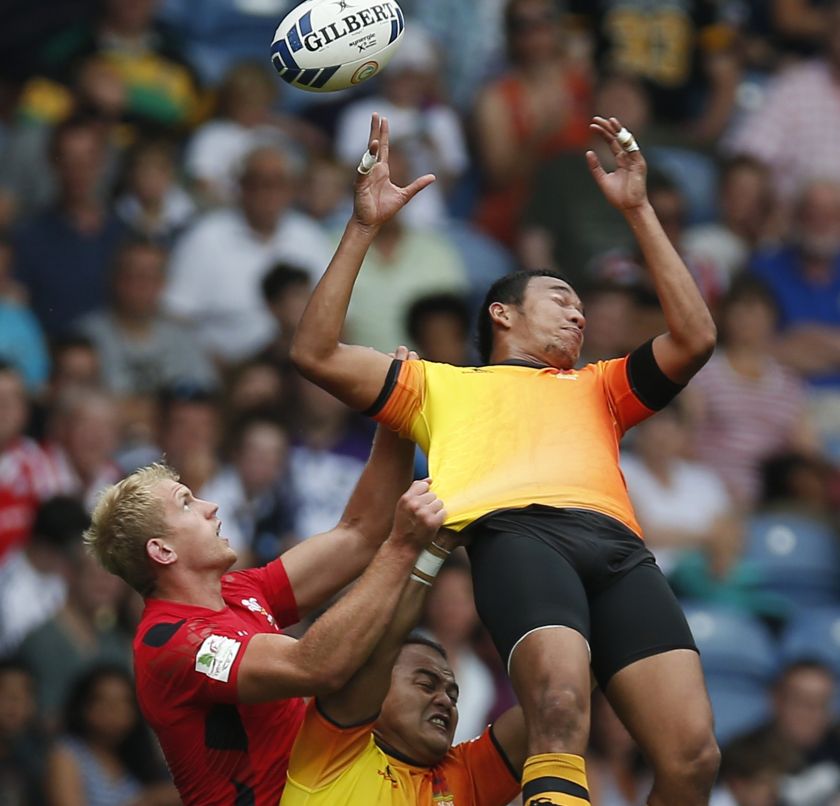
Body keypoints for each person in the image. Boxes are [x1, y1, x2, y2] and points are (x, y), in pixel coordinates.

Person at [291, 113, 720, 805]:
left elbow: (695, 337)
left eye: (582, 308)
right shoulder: (439, 385)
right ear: (502, 314)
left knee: (694, 756)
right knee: (557, 710)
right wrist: (363, 228)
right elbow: (313, 352)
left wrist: (638, 212)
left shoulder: (600, 387)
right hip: (520, 536)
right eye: (561, 300)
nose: (578, 317)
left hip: (619, 550)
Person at [84, 415, 446, 806]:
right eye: (186, 503)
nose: (211, 505)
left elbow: (360, 532)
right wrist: (402, 548)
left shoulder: (240, 590)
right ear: (162, 551)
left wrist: (395, 412)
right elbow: (315, 667)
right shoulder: (171, 644)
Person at [281, 532, 526, 805]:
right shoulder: (332, 752)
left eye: (453, 696)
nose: (445, 700)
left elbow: (549, 702)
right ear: (378, 687)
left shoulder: (464, 778)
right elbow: (382, 647)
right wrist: (435, 550)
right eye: (426, 684)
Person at [45, 664, 178, 806]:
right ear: (83, 706)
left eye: (123, 702)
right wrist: (148, 800)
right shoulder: (67, 754)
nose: (114, 711)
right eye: (103, 701)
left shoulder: (135, 757)